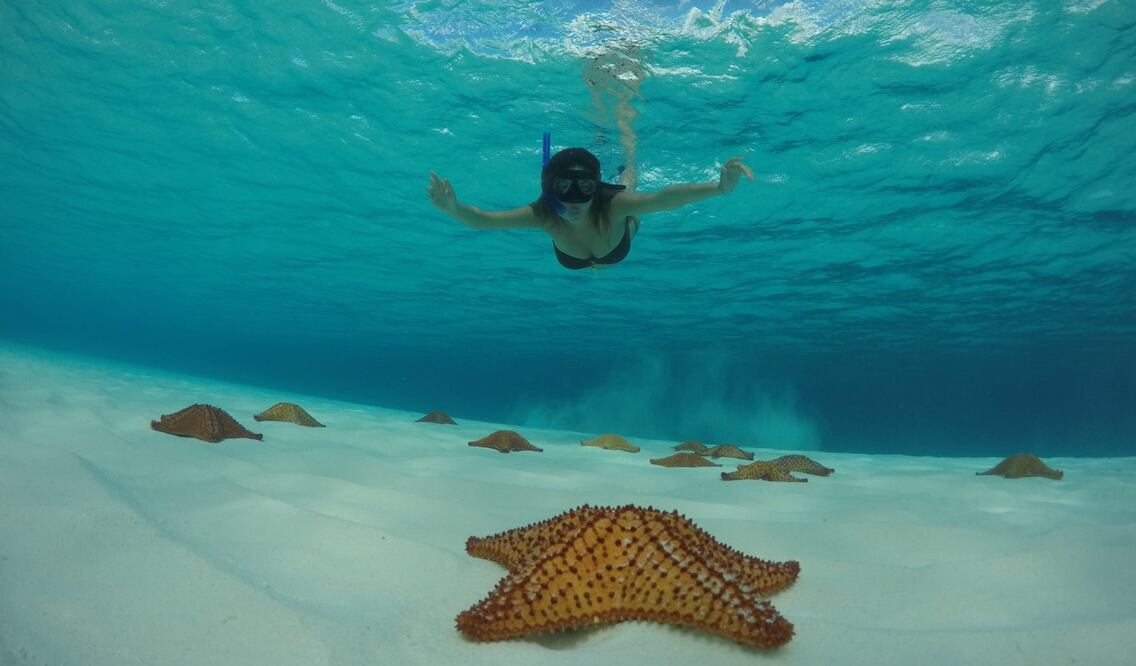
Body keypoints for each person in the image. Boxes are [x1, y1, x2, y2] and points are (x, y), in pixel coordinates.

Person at [425, 49, 755, 270]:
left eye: (583, 187)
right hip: (588, 252)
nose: (574, 198)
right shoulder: (543, 214)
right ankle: (619, 121)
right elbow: (484, 219)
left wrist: (719, 188)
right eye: (564, 187)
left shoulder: (613, 205)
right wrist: (452, 207)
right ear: (551, 188)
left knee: (629, 179)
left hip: (616, 245)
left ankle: (626, 127)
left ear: (595, 187)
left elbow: (665, 198)